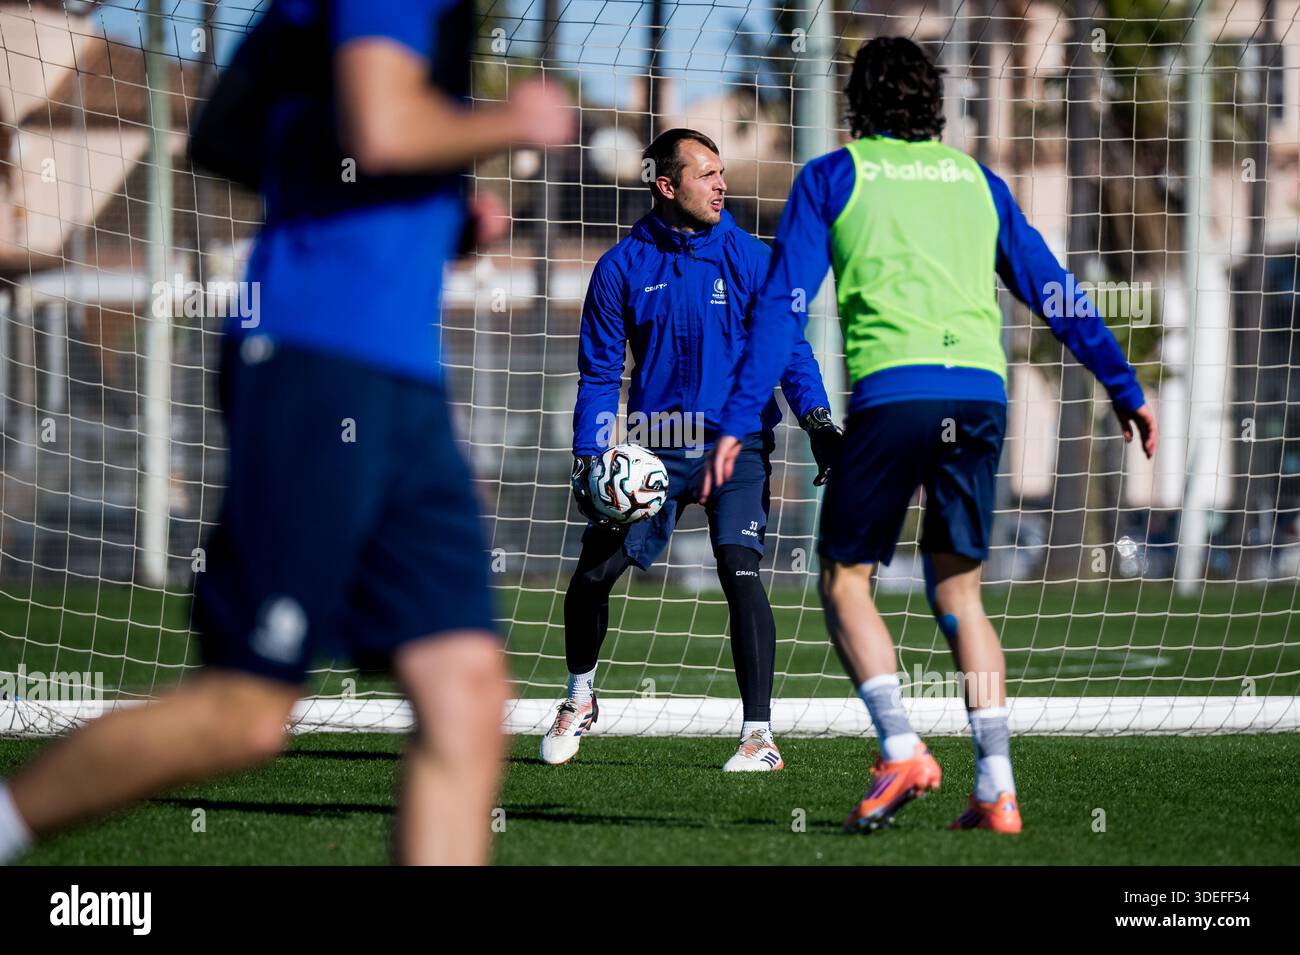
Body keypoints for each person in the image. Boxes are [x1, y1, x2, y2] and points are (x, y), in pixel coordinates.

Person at [0, 0, 572, 866]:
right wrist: (513, 119)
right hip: (319, 357)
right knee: (247, 711)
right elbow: (379, 127)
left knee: (465, 695)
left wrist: (438, 217)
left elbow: (269, 138)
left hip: (401, 377)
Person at [704, 37, 1157, 831]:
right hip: (981, 397)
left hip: (893, 396)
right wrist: (1124, 385)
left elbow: (782, 309)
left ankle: (903, 745)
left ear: (856, 105)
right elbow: (1054, 287)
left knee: (846, 581)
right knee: (960, 596)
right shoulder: (977, 181)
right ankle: (996, 785)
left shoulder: (833, 176)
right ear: (934, 104)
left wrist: (741, 418)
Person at [541, 129, 841, 772]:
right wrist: (589, 456)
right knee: (593, 575)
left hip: (739, 444)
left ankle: (759, 738)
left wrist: (817, 420)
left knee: (740, 569)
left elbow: (789, 350)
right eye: (705, 175)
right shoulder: (621, 266)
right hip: (655, 450)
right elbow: (599, 376)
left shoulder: (754, 260)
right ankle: (579, 696)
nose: (720, 185)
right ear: (666, 185)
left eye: (721, 172)